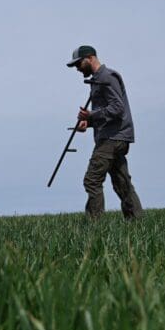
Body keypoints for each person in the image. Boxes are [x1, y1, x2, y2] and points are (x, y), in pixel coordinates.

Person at [66, 45, 143, 219]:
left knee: (92, 180)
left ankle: (94, 227)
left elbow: (117, 108)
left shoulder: (107, 77)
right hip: (116, 136)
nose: (77, 68)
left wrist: (92, 114)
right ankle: (137, 222)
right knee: (122, 183)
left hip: (112, 138)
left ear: (90, 58)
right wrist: (89, 122)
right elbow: (109, 112)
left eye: (78, 64)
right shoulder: (98, 80)